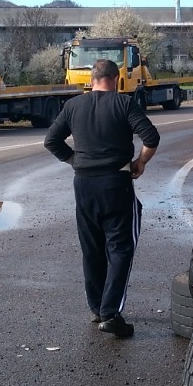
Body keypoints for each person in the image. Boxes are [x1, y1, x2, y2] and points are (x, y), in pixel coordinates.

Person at [44, 58, 160, 337]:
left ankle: (97, 308)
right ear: (117, 79)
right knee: (121, 248)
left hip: (83, 184)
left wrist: (74, 159)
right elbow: (151, 137)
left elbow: (51, 141)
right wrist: (140, 163)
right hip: (115, 183)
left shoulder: (72, 106)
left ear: (91, 79)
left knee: (92, 248)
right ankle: (111, 313)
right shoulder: (124, 104)